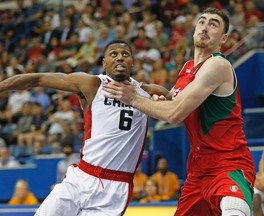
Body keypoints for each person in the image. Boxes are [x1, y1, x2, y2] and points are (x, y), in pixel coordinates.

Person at [0, 39, 170, 215]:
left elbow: (181, 108)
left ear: (132, 63)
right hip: (81, 177)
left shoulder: (150, 92)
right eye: (114, 54)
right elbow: (38, 78)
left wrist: (163, 103)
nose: (120, 57)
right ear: (104, 63)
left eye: (125, 54)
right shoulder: (92, 84)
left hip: (115, 186)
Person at [103, 8, 256, 215]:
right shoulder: (187, 68)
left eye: (213, 24)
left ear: (223, 38)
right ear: (194, 31)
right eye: (201, 22)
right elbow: (172, 101)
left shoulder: (218, 65)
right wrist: (159, 98)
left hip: (228, 162)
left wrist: (131, 97)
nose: (205, 27)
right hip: (198, 168)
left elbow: (174, 113)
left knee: (235, 211)